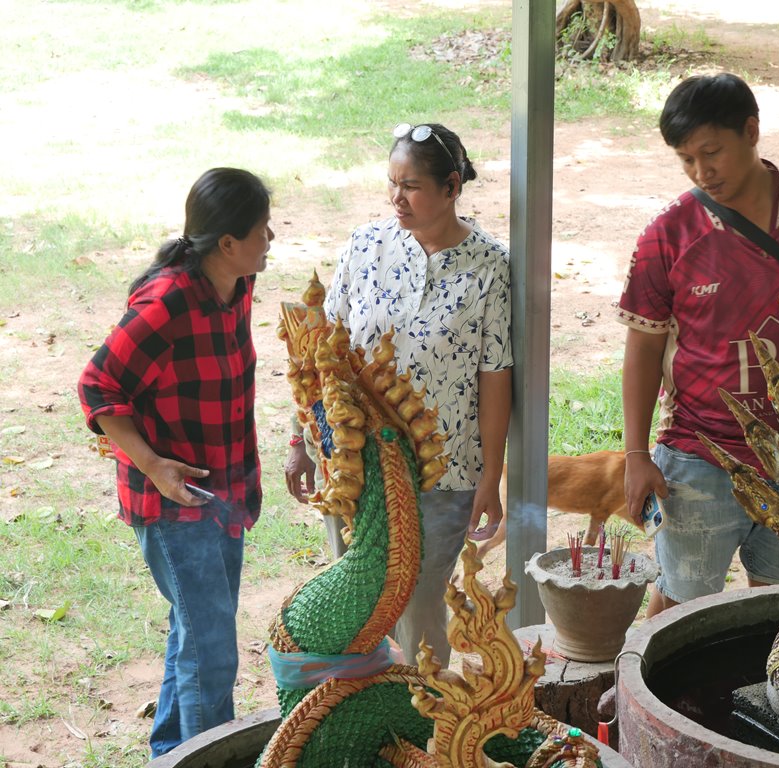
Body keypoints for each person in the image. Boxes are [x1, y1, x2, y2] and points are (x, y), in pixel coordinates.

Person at [618, 73, 779, 618]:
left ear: (751, 131)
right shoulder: (667, 233)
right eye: (686, 160)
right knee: (679, 605)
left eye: (711, 152)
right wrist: (637, 455)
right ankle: (646, 677)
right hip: (697, 454)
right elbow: (642, 349)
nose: (701, 172)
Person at [284, 122, 512, 668]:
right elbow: (319, 348)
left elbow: (494, 375)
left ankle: (421, 704)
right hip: (351, 459)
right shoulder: (366, 245)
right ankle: (355, 702)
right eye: (392, 182)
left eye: (410, 186)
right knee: (355, 597)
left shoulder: (490, 267)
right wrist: (300, 439)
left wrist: (490, 476)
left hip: (442, 472)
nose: (396, 197)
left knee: (418, 601)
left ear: (451, 187)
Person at [78, 168, 273, 757]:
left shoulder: (236, 285)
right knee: (210, 649)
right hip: (172, 505)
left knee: (198, 635)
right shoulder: (167, 303)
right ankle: (211, 757)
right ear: (228, 242)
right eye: (262, 230)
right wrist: (153, 465)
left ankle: (171, 755)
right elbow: (97, 384)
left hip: (224, 496)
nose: (271, 239)